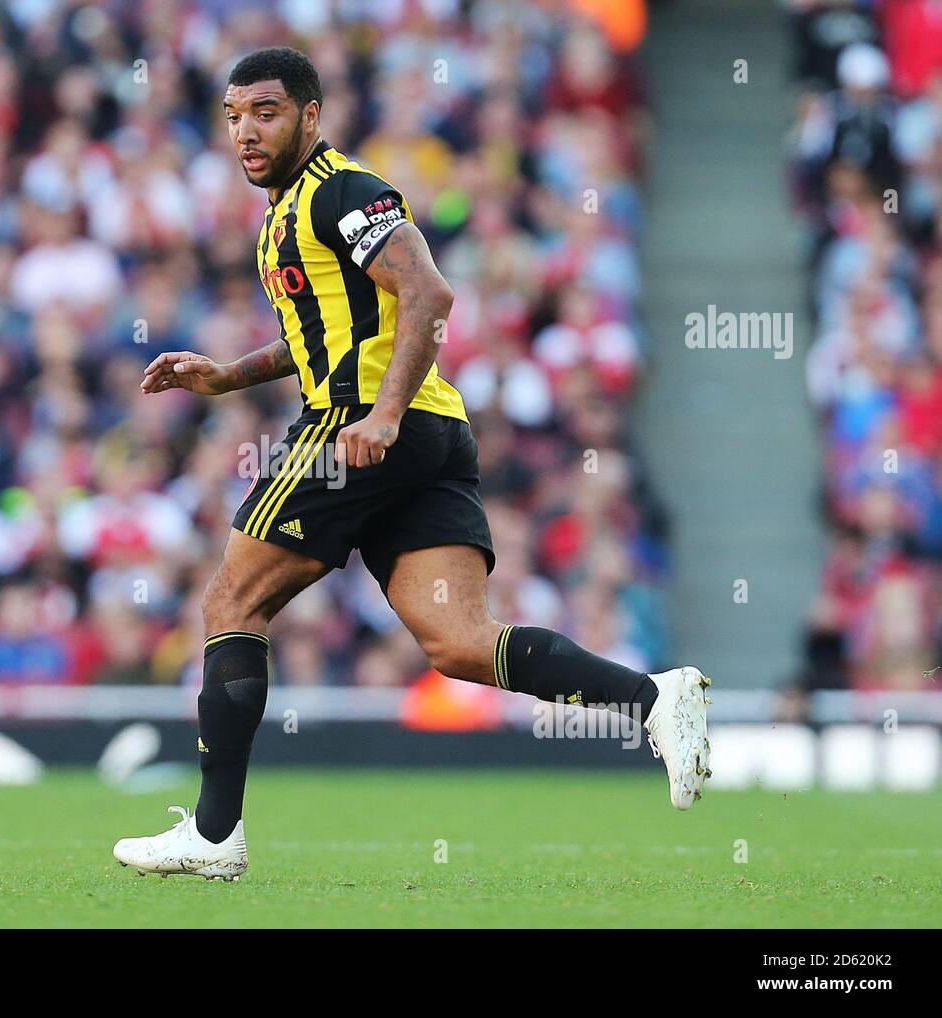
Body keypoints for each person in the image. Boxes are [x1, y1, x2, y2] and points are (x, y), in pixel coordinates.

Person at [113, 48, 711, 881]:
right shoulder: (285, 216)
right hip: (425, 436)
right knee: (460, 643)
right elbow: (319, 336)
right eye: (234, 116)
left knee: (231, 598)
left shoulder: (341, 190)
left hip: (358, 430)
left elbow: (428, 291)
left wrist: (381, 413)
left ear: (311, 116)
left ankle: (214, 836)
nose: (247, 132)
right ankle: (654, 700)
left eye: (267, 113)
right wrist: (225, 375)